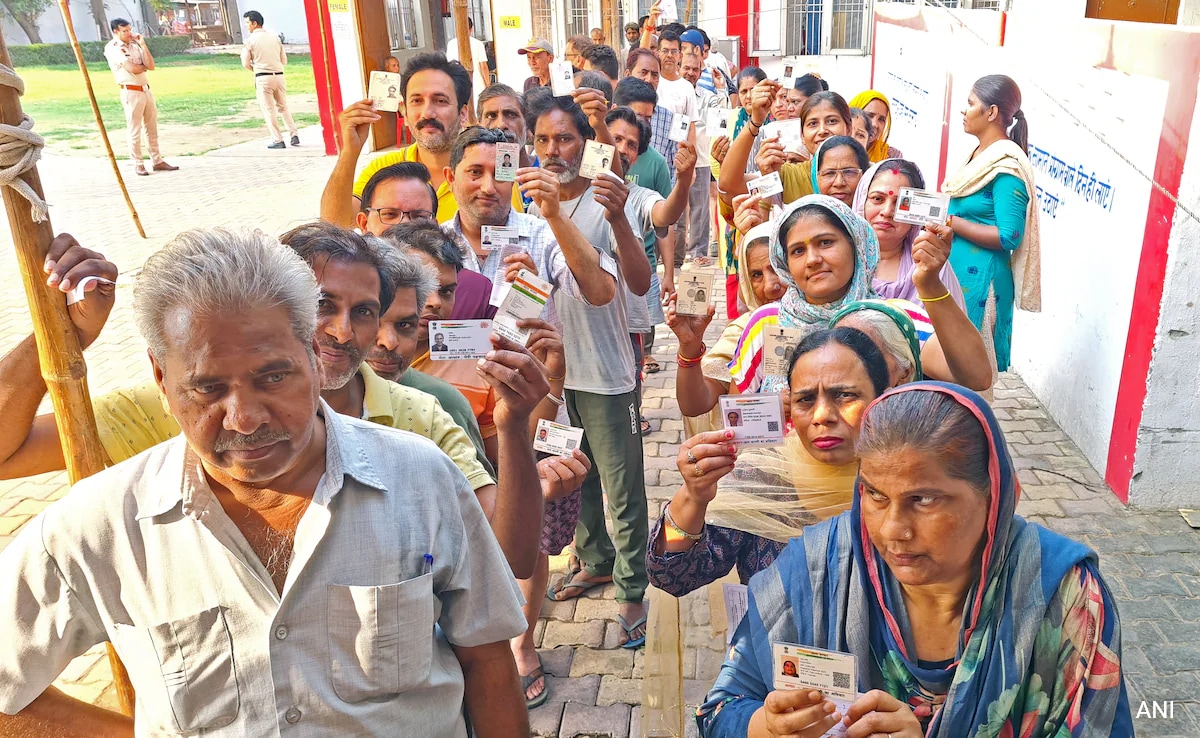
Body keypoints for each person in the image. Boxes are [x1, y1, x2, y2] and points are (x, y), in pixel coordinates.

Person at [0, 229, 531, 736]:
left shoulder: (421, 476)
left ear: (313, 356)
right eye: (207, 389)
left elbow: (487, 659)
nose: (245, 418)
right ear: (162, 380)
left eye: (273, 377)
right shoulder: (104, 522)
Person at [698, 382, 1131, 738]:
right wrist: (765, 728)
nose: (891, 531)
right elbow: (719, 712)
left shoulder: (1065, 598)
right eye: (875, 495)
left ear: (995, 497)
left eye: (923, 500)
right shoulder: (818, 568)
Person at [522, 89, 653, 649]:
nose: (554, 151)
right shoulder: (526, 206)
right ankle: (595, 561)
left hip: (605, 373)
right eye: (544, 140)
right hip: (554, 380)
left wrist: (618, 214)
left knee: (623, 488)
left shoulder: (605, 200)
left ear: (585, 143)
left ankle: (632, 591)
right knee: (578, 479)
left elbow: (636, 280)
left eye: (566, 138)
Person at [648, 326, 888, 596]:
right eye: (805, 399)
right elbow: (672, 574)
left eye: (845, 395)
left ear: (883, 398)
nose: (821, 415)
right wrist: (693, 496)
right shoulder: (763, 474)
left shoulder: (908, 480)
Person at [728, 195, 993, 396]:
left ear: (857, 247)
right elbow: (738, 416)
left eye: (825, 242)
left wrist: (930, 284)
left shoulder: (894, 318)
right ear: (784, 263)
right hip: (788, 467)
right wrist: (775, 409)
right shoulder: (768, 322)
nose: (812, 259)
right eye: (798, 251)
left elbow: (976, 377)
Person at [944, 74, 1040, 374]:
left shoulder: (1007, 166)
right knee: (948, 365)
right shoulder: (979, 155)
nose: (964, 110)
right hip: (958, 273)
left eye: (971, 104)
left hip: (982, 284)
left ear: (992, 113)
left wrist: (951, 223)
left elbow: (1009, 235)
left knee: (970, 373)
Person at [319, 53, 480, 227]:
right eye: (416, 100)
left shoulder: (484, 171)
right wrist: (349, 152)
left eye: (440, 101)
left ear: (463, 114)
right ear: (404, 110)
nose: (427, 113)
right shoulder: (384, 169)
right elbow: (334, 224)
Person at [854, 158, 965, 309]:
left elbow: (952, 330)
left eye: (901, 203)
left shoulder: (930, 261)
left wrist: (930, 281)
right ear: (862, 202)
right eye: (877, 199)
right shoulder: (844, 257)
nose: (887, 212)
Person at [104, 17, 177, 177]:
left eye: (130, 29)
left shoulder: (135, 45)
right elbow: (131, 68)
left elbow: (151, 65)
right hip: (130, 90)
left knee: (151, 127)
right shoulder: (113, 48)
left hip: (145, 90)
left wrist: (142, 45)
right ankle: (138, 163)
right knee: (134, 129)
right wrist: (143, 67)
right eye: (125, 31)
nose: (129, 33)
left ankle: (157, 160)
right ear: (116, 32)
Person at [241, 10, 299, 149]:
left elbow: (245, 63)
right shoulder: (275, 38)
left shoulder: (250, 41)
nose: (247, 26)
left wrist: (257, 68)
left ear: (254, 23)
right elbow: (284, 60)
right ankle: (293, 133)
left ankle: (278, 139)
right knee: (283, 106)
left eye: (247, 23)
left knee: (269, 109)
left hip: (263, 77)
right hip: (279, 75)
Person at [809, 134, 869, 206]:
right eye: (829, 173)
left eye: (848, 172)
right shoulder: (804, 216)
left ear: (865, 175)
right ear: (815, 178)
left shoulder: (880, 215)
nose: (839, 183)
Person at [654, 29, 700, 121]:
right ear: (658, 53)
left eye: (674, 51)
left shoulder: (687, 87)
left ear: (680, 56)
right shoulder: (650, 82)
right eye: (665, 51)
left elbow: (691, 126)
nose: (670, 55)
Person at [447, 17, 491, 110]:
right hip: (477, 84)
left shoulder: (451, 44)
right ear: (471, 29)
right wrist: (488, 85)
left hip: (457, 83)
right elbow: (483, 66)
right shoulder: (478, 44)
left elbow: (448, 66)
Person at [850, 89, 905, 162]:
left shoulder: (891, 157)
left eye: (881, 119)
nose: (875, 124)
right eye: (869, 115)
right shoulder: (833, 148)